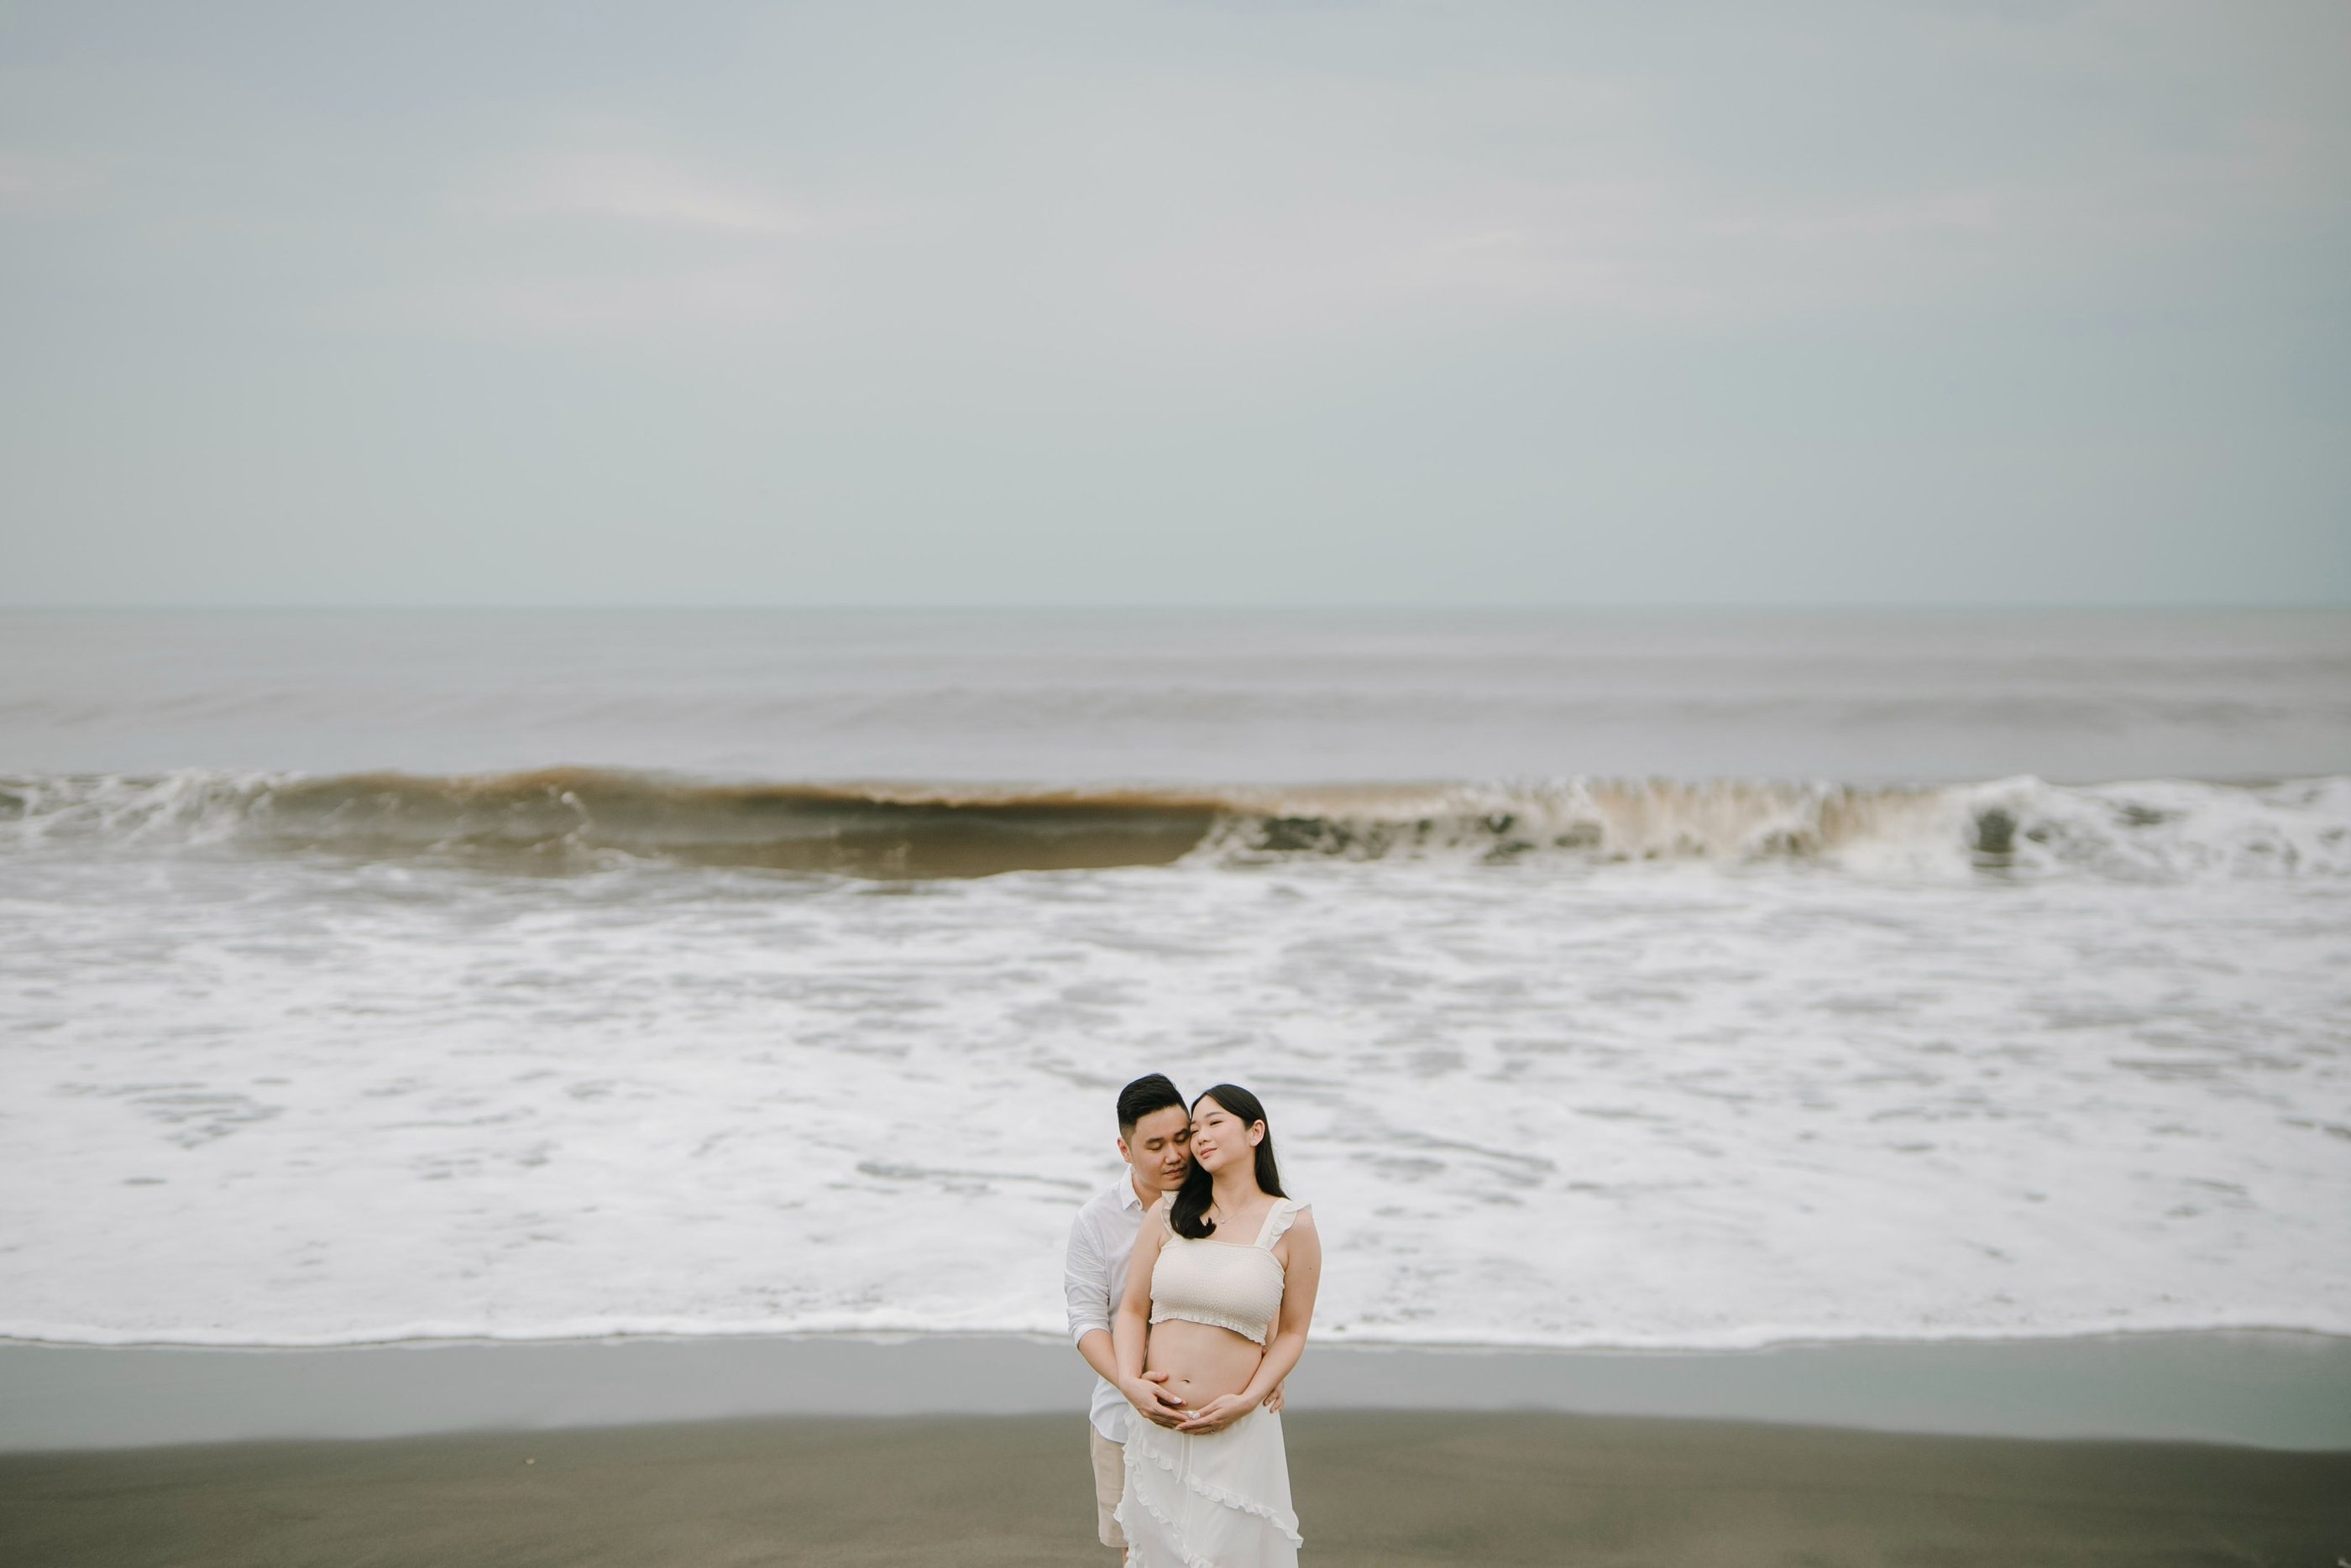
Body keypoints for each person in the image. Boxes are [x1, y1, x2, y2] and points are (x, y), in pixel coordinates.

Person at [1110, 1084, 1321, 1567]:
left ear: (1255, 1131)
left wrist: (1249, 1399)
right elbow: (1132, 1310)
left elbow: (1292, 1332)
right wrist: (1130, 1383)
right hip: (1159, 1425)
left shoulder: (1293, 1225)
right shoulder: (1168, 1212)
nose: (1199, 1137)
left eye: (1214, 1122)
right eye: (1194, 1128)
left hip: (1238, 1433)